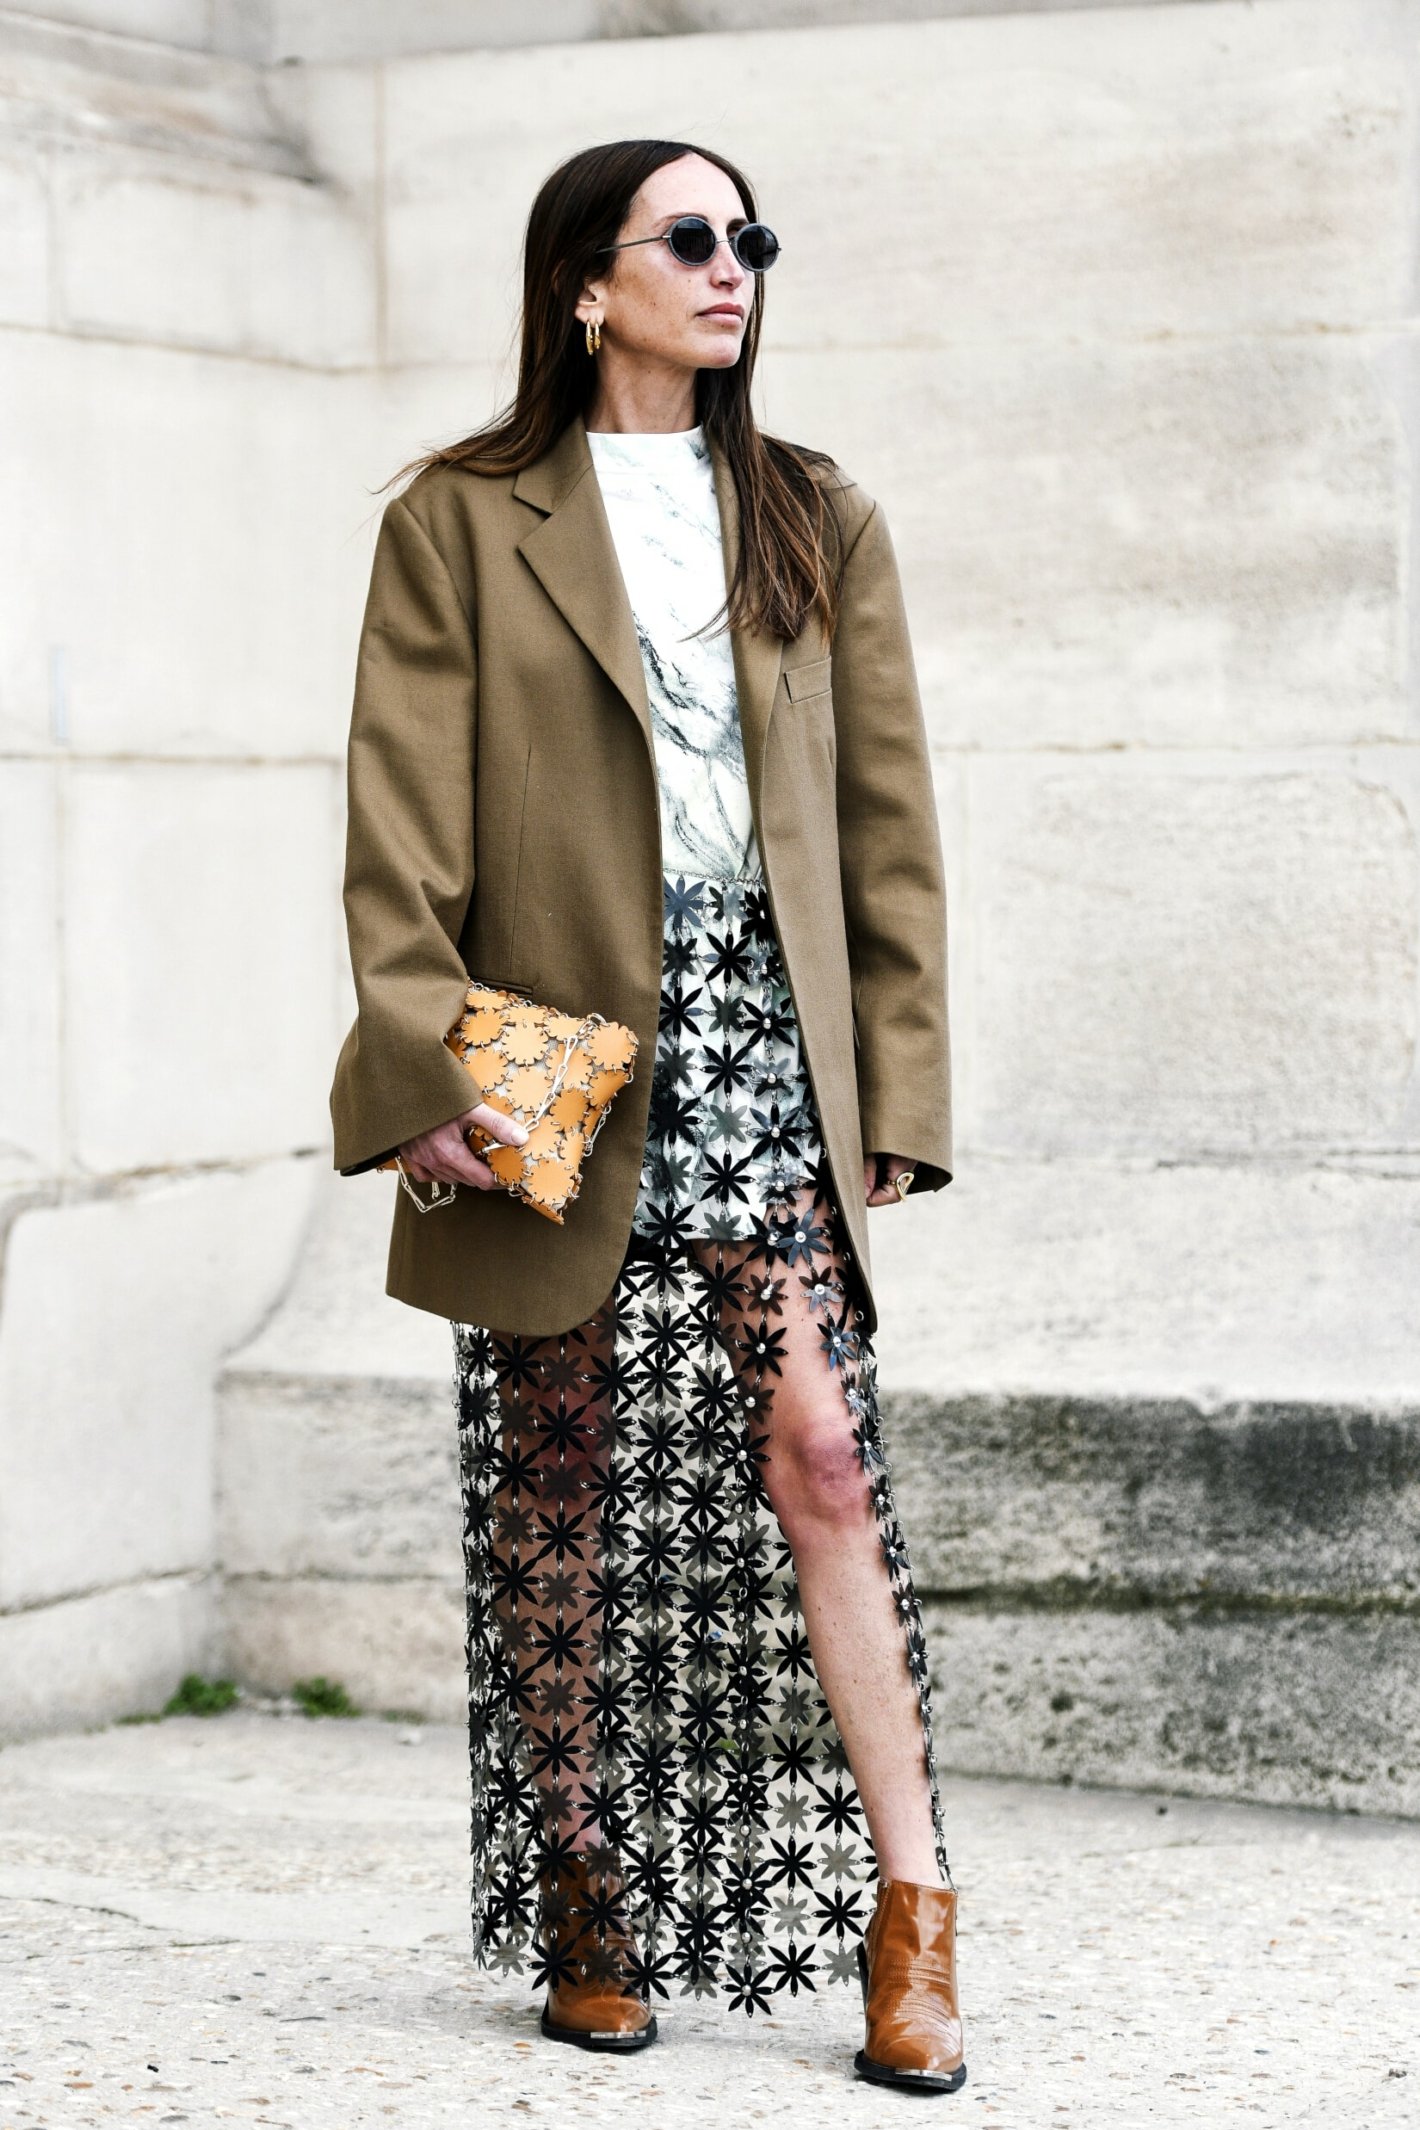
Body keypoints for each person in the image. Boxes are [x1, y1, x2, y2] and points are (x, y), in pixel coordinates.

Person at [329, 137, 963, 2095]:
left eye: (746, 239)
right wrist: (425, 1059)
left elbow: (885, 826)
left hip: (762, 1041)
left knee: (822, 1462)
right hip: (544, 1040)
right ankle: (585, 1894)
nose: (730, 268)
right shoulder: (461, 515)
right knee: (561, 1476)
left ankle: (916, 1910)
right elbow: (400, 813)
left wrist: (899, 1078)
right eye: (688, 240)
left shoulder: (807, 512)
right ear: (582, 287)